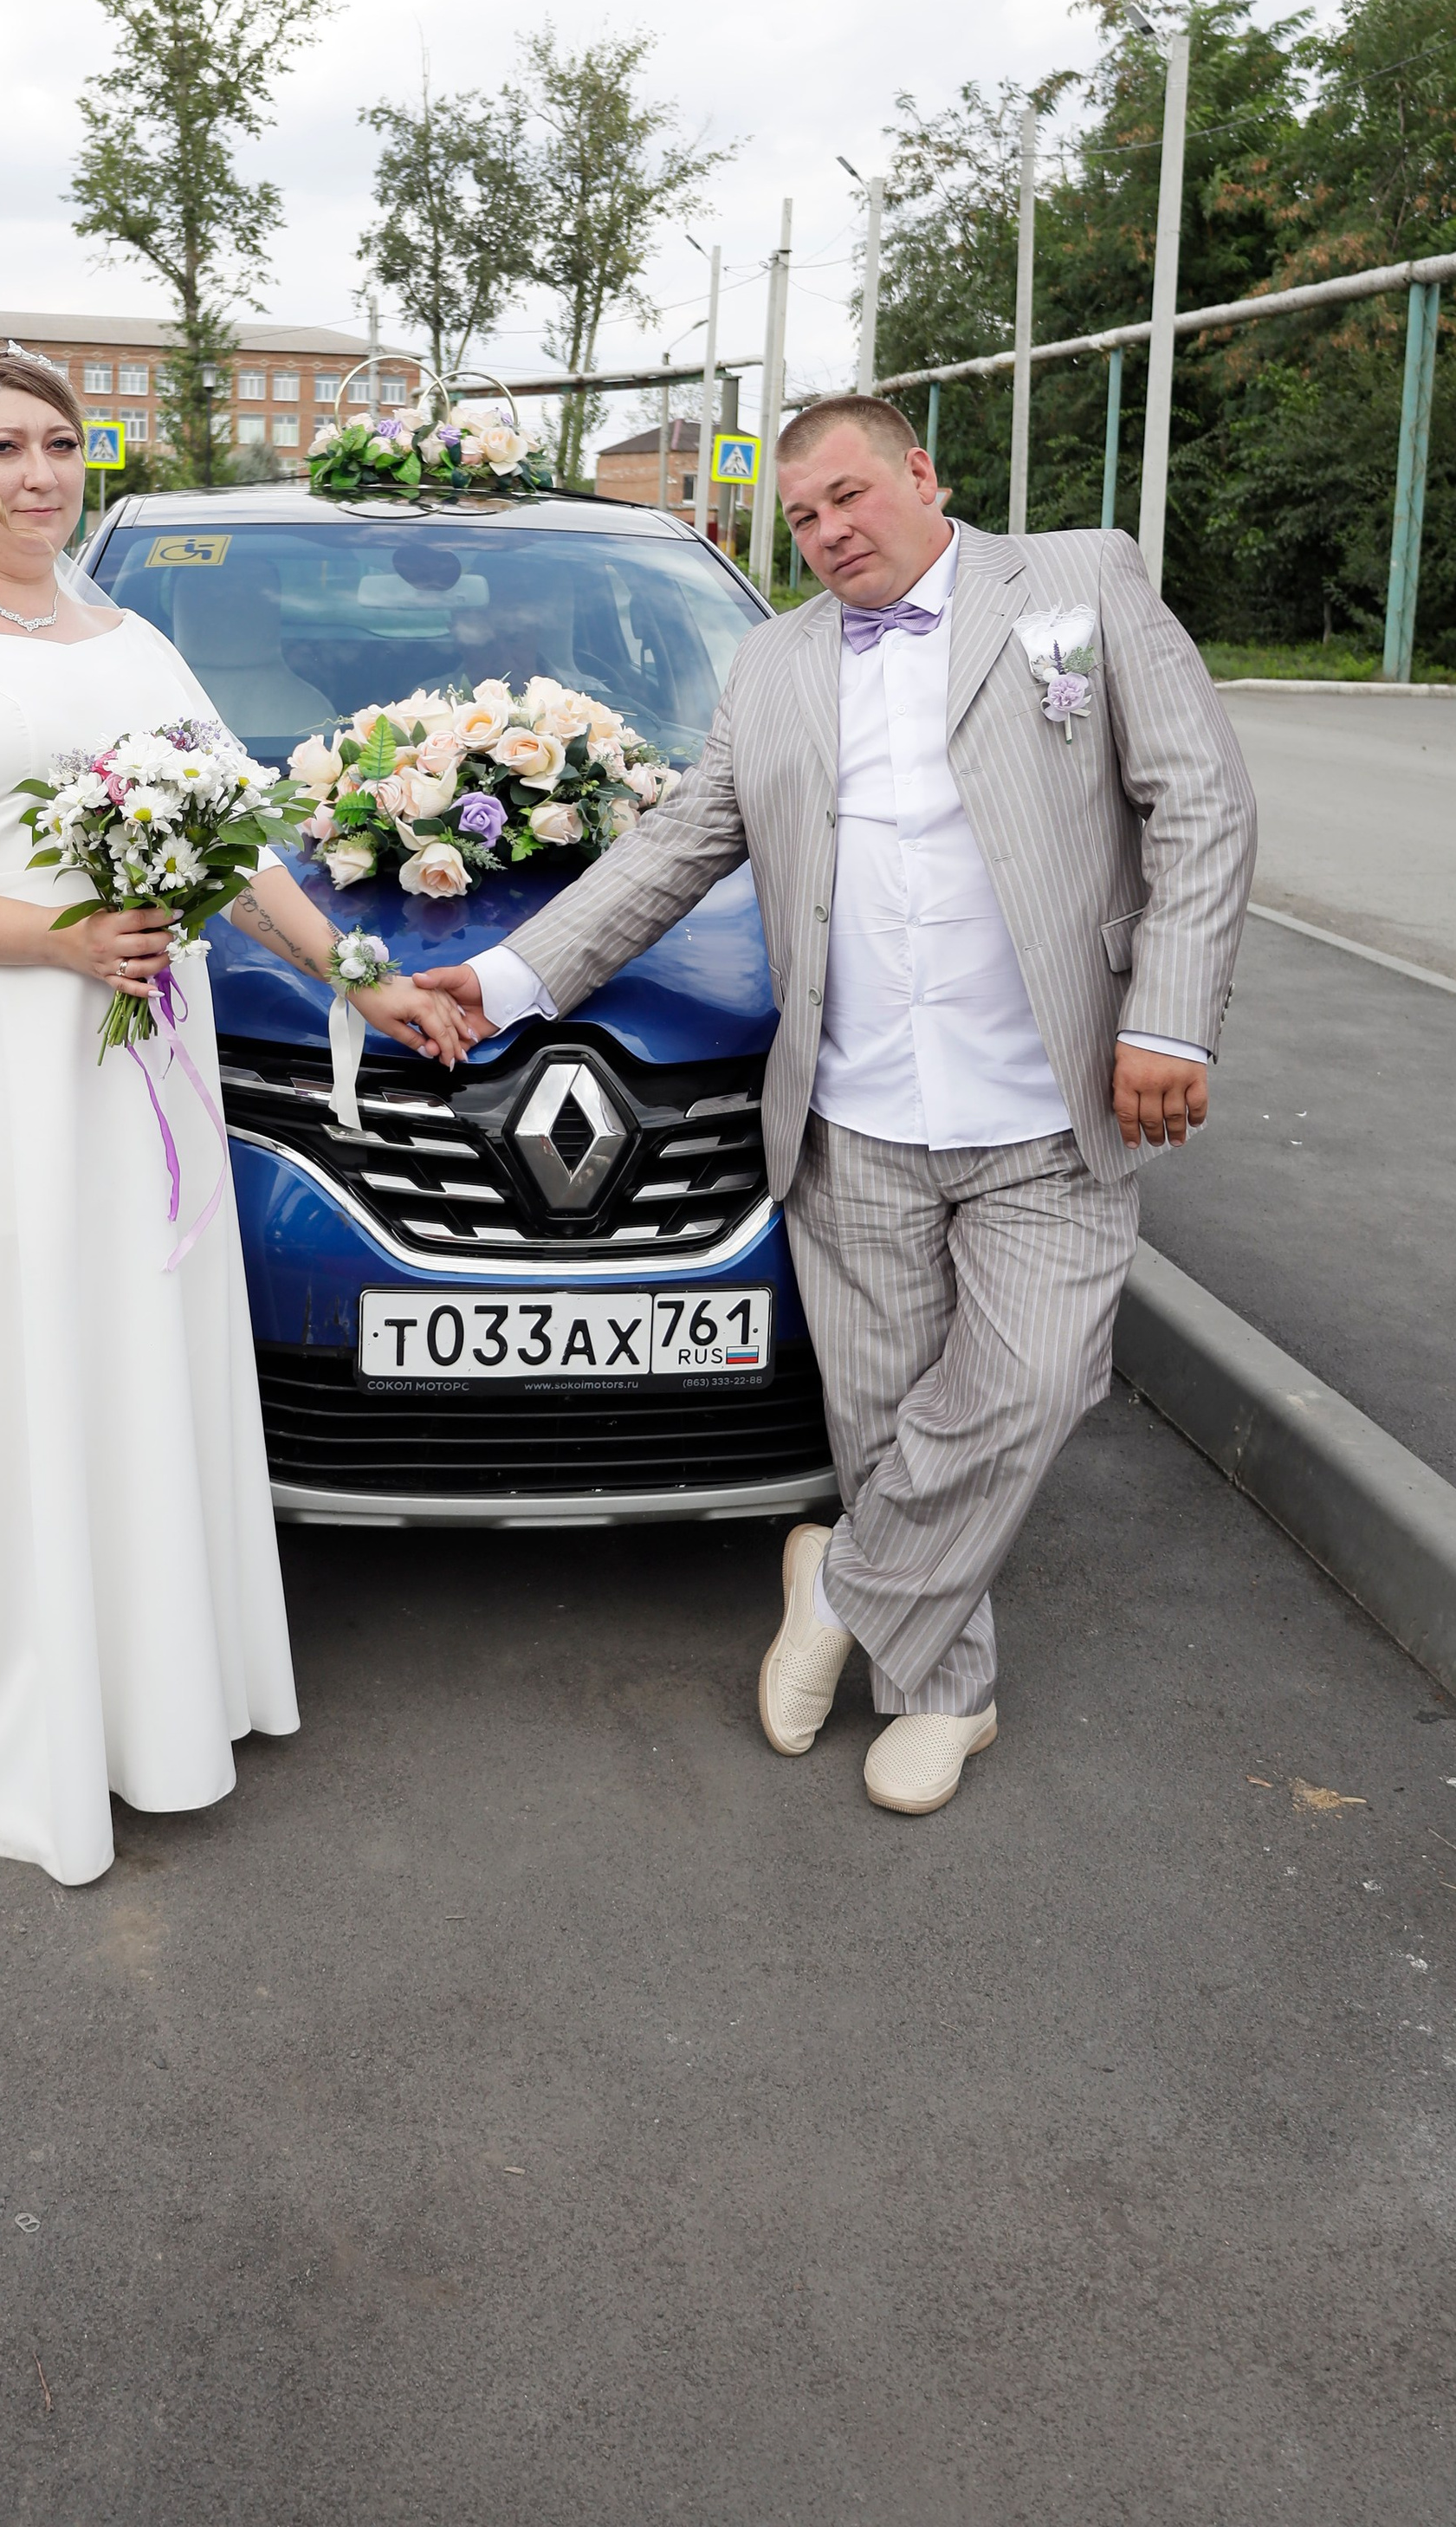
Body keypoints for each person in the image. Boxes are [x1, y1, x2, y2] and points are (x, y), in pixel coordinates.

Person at [420, 396, 1255, 1816]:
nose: (829, 534)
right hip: (854, 1113)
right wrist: (499, 980)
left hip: (1049, 1101)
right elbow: (682, 845)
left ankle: (842, 1588)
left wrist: (1170, 1014)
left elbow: (1201, 802)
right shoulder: (775, 662)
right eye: (801, 519)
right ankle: (947, 1692)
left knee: (1037, 1384)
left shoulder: (1078, 582)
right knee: (880, 1418)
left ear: (925, 472)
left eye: (850, 497)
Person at [0, 349, 470, 1884]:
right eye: (8, 449)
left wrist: (359, 976)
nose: (43, 476)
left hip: (137, 1068)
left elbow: (232, 840)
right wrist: (56, 940)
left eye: (64, 446)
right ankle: (19, 1731)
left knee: (130, 1361)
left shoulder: (132, 641)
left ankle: (153, 1701)